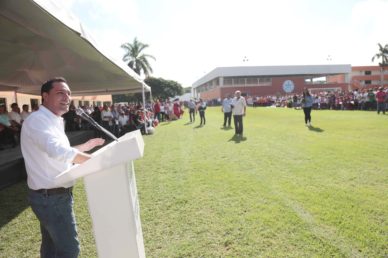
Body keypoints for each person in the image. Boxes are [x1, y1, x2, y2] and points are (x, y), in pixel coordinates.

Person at [21, 77, 105, 258]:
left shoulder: (54, 120)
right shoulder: (38, 121)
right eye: (60, 92)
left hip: (53, 196)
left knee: (51, 248)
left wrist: (85, 147)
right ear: (45, 96)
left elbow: (58, 152)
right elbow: (58, 151)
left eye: (68, 93)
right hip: (51, 198)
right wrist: (100, 163)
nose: (66, 97)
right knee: (69, 251)